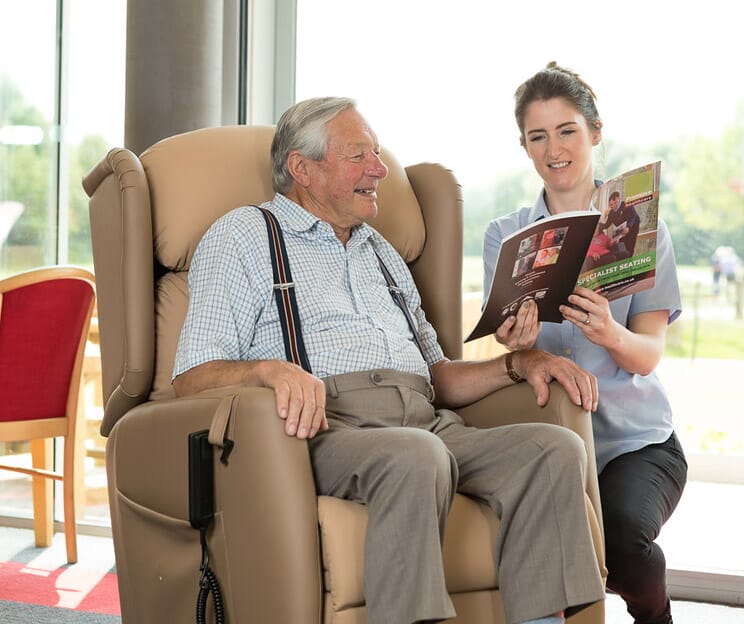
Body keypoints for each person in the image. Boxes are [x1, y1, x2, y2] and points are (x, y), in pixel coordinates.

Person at [172, 96, 606, 624]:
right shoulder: (244, 236)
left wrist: (520, 364)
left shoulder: (381, 251)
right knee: (415, 455)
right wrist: (267, 370)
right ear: (301, 168)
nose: (379, 170)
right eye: (360, 156)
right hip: (326, 430)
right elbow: (193, 377)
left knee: (552, 448)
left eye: (376, 155)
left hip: (426, 420)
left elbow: (437, 375)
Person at [482, 63, 687, 624]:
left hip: (635, 443)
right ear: (524, 146)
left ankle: (657, 615)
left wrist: (608, 332)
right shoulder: (506, 234)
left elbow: (647, 355)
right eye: (538, 135)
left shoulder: (643, 228)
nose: (554, 148)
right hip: (550, 443)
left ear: (595, 132)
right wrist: (516, 345)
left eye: (567, 130)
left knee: (622, 543)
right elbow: (506, 344)